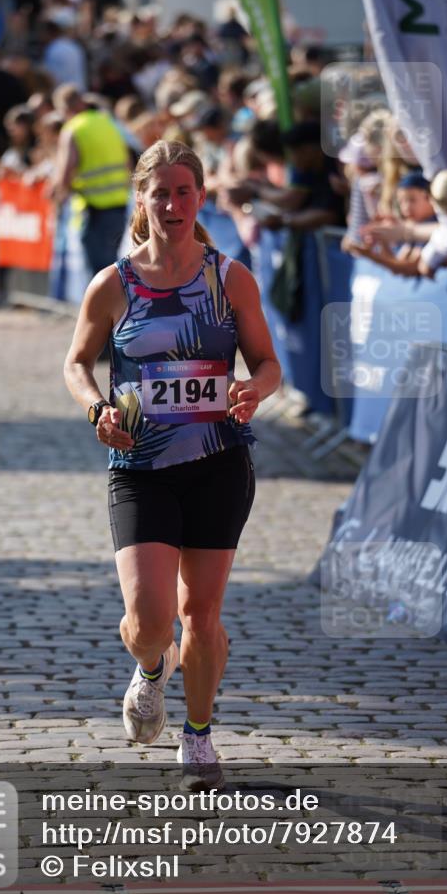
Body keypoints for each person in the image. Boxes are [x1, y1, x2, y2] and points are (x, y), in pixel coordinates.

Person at [63, 140, 281, 790]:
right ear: (142, 200)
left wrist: (255, 389)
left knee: (203, 613)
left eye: (183, 191)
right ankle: (151, 668)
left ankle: (198, 736)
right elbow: (76, 361)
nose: (172, 203)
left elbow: (267, 362)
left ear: (200, 197)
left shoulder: (228, 278)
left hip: (217, 462)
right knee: (150, 618)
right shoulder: (114, 284)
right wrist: (96, 406)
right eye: (159, 192)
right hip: (140, 467)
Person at [51, 84, 130, 275]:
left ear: (65, 108)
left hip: (94, 208)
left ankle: (104, 305)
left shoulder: (73, 129)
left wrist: (57, 199)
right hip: (119, 203)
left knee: (99, 270)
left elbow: (65, 171)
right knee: (113, 264)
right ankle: (116, 304)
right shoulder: (107, 122)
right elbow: (127, 159)